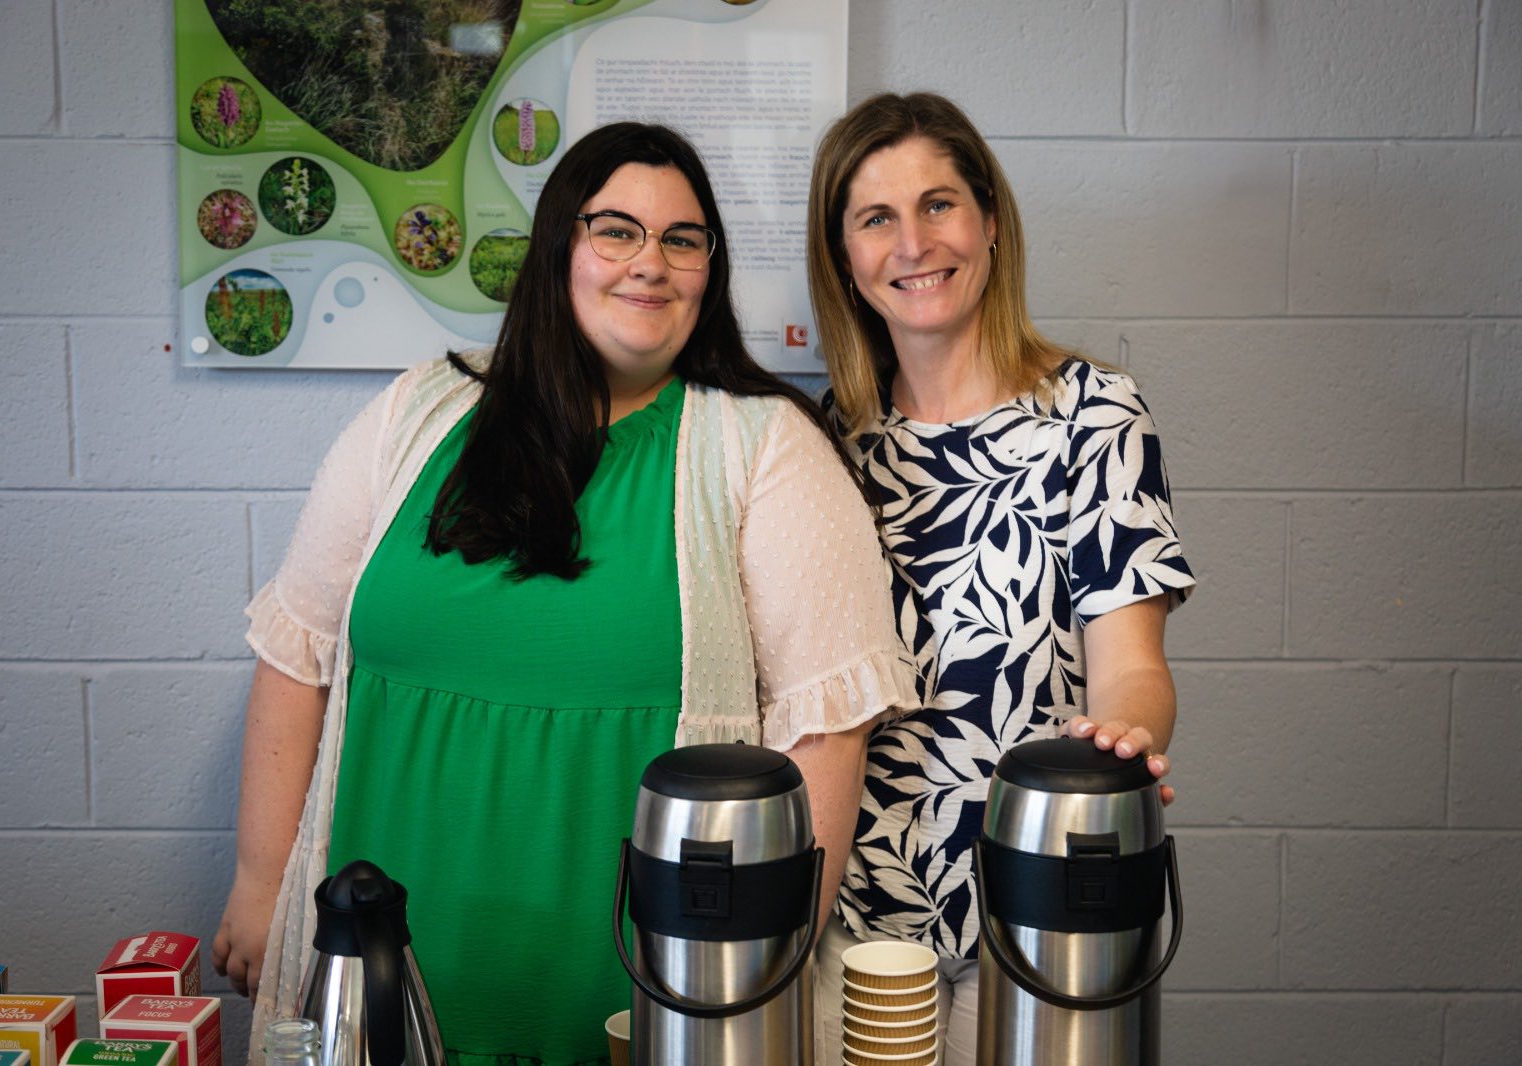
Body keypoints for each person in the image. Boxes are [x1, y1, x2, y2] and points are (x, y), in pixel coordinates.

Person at [211, 122, 917, 1065]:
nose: (650, 263)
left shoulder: (765, 447)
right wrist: (259, 883)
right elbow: (296, 656)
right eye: (616, 230)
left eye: (682, 240)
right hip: (373, 977)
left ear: (710, 272)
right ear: (558, 247)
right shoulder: (418, 412)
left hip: (640, 1003)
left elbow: (825, 735)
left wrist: (755, 969)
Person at [803, 93, 1197, 1064]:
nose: (913, 243)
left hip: (1037, 919)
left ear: (988, 220)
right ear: (844, 257)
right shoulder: (821, 442)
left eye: (938, 204)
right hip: (859, 928)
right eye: (876, 217)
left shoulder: (1094, 416)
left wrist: (1125, 738)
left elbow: (1131, 668)